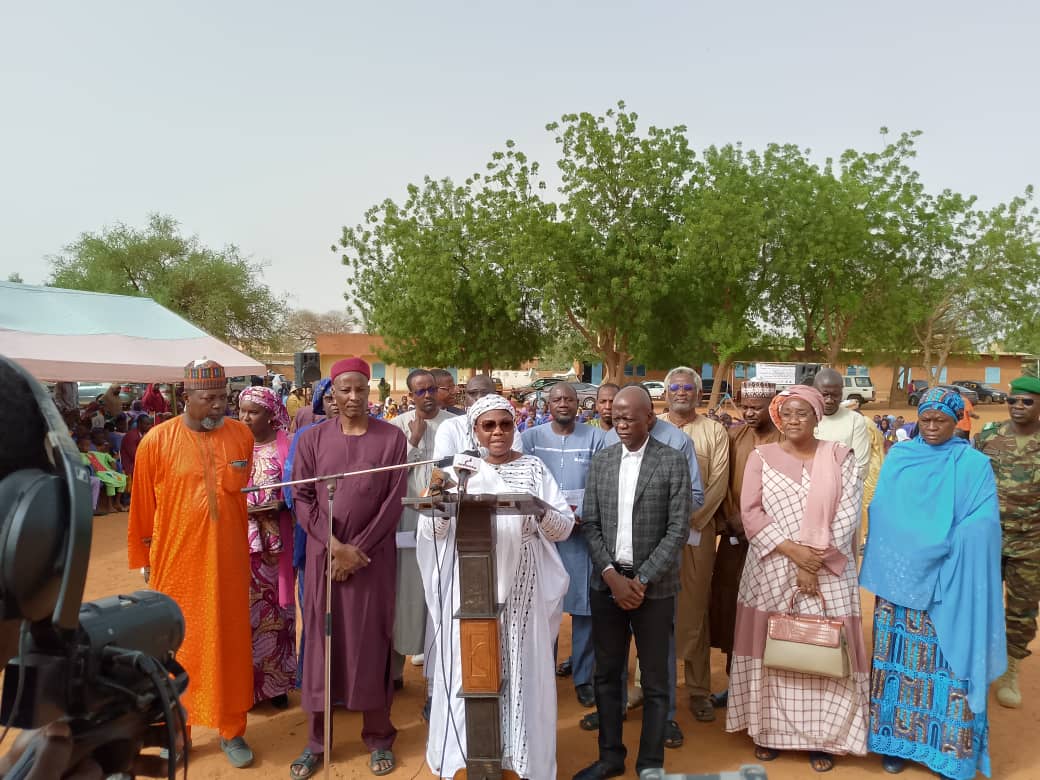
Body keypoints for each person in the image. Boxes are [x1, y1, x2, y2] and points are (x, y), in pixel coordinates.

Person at [418, 394, 575, 779]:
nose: (498, 432)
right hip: (471, 586)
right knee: (472, 666)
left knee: (517, 668)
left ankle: (517, 758)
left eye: (505, 424)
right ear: (474, 431)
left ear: (514, 427)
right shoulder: (457, 471)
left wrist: (537, 507)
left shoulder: (535, 468)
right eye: (488, 426)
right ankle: (467, 756)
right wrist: (440, 501)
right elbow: (431, 528)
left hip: (522, 585)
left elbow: (562, 527)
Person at [861, 387, 1005, 778]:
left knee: (949, 668)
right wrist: (919, 545)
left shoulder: (973, 465)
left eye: (940, 420)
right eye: (925, 420)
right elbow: (883, 512)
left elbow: (984, 523)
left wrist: (941, 543)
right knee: (897, 664)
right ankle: (895, 743)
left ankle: (949, 752)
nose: (931, 427)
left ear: (956, 421)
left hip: (950, 584)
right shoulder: (901, 458)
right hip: (900, 585)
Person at [726, 385, 868, 773]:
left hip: (829, 571)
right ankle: (768, 733)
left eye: (801, 413)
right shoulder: (760, 457)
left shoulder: (840, 457)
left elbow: (848, 515)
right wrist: (795, 554)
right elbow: (751, 513)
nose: (791, 420)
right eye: (786, 413)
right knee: (773, 650)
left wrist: (812, 562)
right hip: (772, 568)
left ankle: (826, 737)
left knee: (825, 652)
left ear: (817, 417)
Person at [127, 358, 256, 768]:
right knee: (178, 650)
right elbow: (142, 507)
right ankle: (178, 731)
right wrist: (145, 558)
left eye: (224, 397)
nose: (219, 405)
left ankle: (232, 729)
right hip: (177, 562)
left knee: (231, 643)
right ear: (187, 396)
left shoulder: (241, 436)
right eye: (209, 398)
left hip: (230, 561)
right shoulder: (156, 441)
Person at [289, 358, 407, 779]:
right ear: (331, 394)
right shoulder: (311, 439)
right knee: (323, 646)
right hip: (325, 556)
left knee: (371, 644)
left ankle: (378, 736)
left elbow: (393, 503)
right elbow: (302, 498)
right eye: (345, 390)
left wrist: (355, 551)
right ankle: (318, 742)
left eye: (360, 390)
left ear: (370, 391)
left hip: (371, 561)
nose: (353, 398)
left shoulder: (392, 438)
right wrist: (334, 546)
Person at [573, 386, 692, 779]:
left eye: (629, 418)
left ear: (649, 419)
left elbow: (678, 529)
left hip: (653, 588)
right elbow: (589, 522)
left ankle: (650, 763)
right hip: (607, 585)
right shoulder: (603, 461)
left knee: (656, 679)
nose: (621, 423)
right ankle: (610, 757)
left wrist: (639, 579)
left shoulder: (672, 462)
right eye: (617, 417)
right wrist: (611, 575)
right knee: (607, 675)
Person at [521, 382, 606, 708]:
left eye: (569, 399)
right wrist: (550, 516)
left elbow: (600, 480)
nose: (563, 404)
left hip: (582, 535)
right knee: (544, 606)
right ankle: (543, 677)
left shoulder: (595, 437)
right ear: (547, 403)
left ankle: (583, 678)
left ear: (578, 403)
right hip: (542, 535)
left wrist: (580, 514)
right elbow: (525, 480)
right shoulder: (530, 439)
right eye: (557, 399)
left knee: (584, 609)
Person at [660, 367, 730, 725]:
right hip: (653, 536)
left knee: (695, 608)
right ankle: (648, 684)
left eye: (689, 387)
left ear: (699, 393)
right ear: (666, 392)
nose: (682, 392)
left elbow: (718, 483)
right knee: (651, 607)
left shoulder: (714, 431)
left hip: (695, 534)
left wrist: (688, 521)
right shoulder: (651, 425)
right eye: (675, 387)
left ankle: (699, 689)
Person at [709, 380, 780, 709]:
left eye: (758, 406)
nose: (750, 412)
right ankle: (734, 684)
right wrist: (730, 518)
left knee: (769, 615)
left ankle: (768, 689)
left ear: (774, 406)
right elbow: (721, 480)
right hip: (735, 540)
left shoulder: (786, 440)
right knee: (731, 611)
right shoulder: (734, 436)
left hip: (776, 543)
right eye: (746, 406)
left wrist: (757, 522)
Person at [387, 369, 452, 704]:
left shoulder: (454, 425)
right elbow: (391, 475)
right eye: (420, 391)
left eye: (432, 389)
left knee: (436, 597)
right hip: (407, 521)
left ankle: (434, 680)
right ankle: (394, 673)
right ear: (410, 396)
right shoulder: (397, 427)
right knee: (404, 595)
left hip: (442, 521)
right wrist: (412, 441)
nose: (427, 396)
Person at [975, 374, 1040, 709]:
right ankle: (981, 661)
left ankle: (1011, 666)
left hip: (1032, 543)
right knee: (980, 602)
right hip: (988, 538)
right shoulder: (988, 436)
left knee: (1022, 609)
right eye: (1013, 400)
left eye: (1027, 401)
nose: (1018, 406)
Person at [237, 386, 297, 711]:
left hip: (275, 544)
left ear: (271, 413)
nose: (245, 417)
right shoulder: (233, 444)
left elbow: (300, 490)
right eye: (242, 410)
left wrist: (282, 504)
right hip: (240, 541)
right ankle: (246, 687)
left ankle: (277, 685)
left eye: (253, 411)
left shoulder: (286, 446)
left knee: (277, 614)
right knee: (243, 615)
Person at [433, 374, 521, 459]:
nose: (478, 397)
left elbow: (514, 462)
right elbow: (444, 469)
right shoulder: (450, 427)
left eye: (484, 393)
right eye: (472, 393)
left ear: (495, 395)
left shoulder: (507, 427)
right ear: (465, 397)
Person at [812, 368, 871, 479]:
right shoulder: (802, 419)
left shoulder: (855, 420)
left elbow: (861, 467)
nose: (829, 400)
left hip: (844, 490)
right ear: (814, 392)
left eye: (835, 395)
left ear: (842, 393)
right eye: (824, 395)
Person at [77, 435, 126, 515]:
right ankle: (109, 506)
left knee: (122, 477)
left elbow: (105, 455)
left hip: (105, 471)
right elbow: (84, 464)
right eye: (84, 445)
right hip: (96, 473)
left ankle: (117, 502)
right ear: (78, 445)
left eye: (88, 446)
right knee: (110, 482)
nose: (87, 448)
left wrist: (112, 460)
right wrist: (91, 466)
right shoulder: (78, 455)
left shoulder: (91, 453)